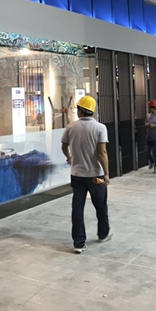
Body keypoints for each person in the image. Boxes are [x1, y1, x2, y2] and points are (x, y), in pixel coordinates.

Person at [61, 96, 111, 254]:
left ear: (80, 110)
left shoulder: (70, 127)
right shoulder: (100, 128)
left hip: (77, 175)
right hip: (96, 175)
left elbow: (64, 146)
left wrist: (69, 157)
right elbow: (102, 152)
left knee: (77, 208)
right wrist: (106, 173)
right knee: (100, 205)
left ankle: (79, 243)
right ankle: (103, 234)